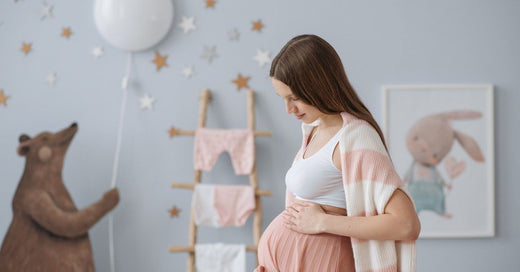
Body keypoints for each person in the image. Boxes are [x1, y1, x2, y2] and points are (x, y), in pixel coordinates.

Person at [255, 34, 421, 272]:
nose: (288, 109)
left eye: (295, 98)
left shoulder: (356, 137)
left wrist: (323, 222)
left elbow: (406, 224)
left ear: (319, 86)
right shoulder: (313, 132)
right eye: (283, 98)